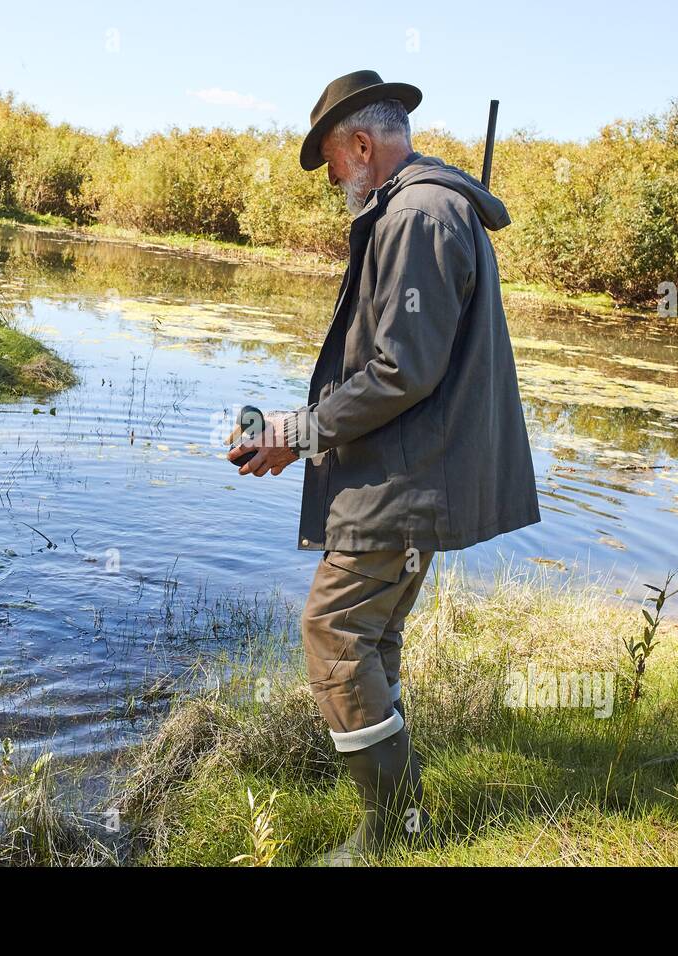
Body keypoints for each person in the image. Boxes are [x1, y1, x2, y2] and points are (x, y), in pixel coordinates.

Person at [227, 69, 540, 864]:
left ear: (362, 145)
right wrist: (296, 430)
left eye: (332, 162)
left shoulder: (417, 215)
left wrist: (296, 432)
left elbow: (404, 370)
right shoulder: (420, 208)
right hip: (406, 471)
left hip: (400, 480)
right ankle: (402, 823)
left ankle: (387, 833)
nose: (334, 180)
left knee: (332, 634)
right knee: (374, 639)